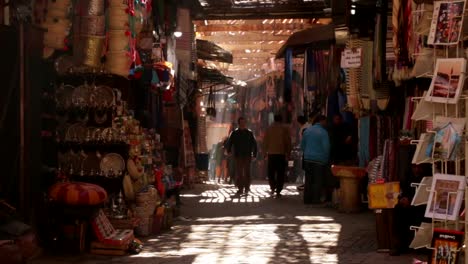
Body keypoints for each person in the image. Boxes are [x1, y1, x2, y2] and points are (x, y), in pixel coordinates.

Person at [301, 115, 330, 204]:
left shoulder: (307, 131)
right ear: (321, 121)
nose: (326, 123)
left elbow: (303, 145)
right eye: (325, 121)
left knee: (308, 179)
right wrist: (326, 158)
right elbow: (326, 147)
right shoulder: (323, 132)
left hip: (307, 159)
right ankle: (315, 199)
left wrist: (307, 154)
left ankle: (307, 199)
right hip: (319, 160)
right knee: (318, 180)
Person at [226, 117, 258, 196]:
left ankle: (247, 187)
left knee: (247, 172)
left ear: (245, 123)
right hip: (238, 155)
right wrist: (229, 151)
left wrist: (254, 154)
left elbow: (254, 144)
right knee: (239, 172)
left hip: (247, 155)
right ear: (239, 123)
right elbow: (230, 143)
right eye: (241, 122)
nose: (242, 124)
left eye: (244, 122)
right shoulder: (234, 133)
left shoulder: (249, 133)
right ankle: (240, 188)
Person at [263, 114, 292, 198]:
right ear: (281, 120)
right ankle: (278, 189)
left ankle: (272, 186)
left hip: (271, 153)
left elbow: (265, 141)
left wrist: (264, 153)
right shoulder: (284, 129)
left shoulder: (269, 129)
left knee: (271, 172)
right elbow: (288, 141)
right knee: (280, 172)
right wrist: (288, 153)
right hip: (281, 154)